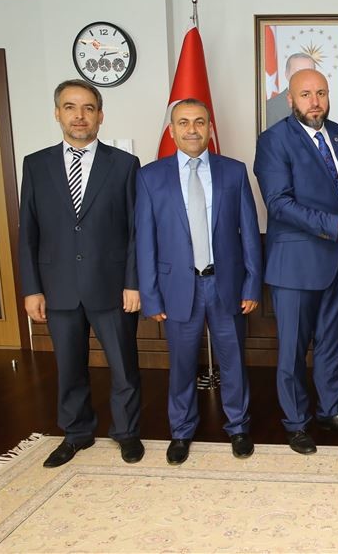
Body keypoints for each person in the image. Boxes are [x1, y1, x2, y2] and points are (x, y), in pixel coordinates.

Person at [19, 79, 143, 468]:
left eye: (88, 108)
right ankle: (76, 433)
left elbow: (136, 231)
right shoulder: (35, 165)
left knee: (123, 367)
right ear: (57, 113)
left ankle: (126, 432)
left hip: (112, 286)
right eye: (70, 107)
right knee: (69, 367)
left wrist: (133, 282)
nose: (79, 116)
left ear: (100, 116)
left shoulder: (124, 165)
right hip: (58, 287)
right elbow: (28, 232)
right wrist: (31, 289)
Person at [135, 98, 263, 465]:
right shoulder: (150, 176)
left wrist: (252, 284)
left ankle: (238, 426)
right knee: (181, 364)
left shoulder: (233, 172)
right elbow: (145, 240)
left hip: (226, 285)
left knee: (233, 361)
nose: (192, 129)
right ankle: (181, 431)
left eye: (199, 122)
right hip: (178, 288)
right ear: (172, 130)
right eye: (183, 122)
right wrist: (151, 297)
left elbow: (249, 233)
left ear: (210, 127)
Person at [254, 69, 338, 455]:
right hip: (295, 265)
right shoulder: (273, 141)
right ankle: (295, 423)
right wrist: (336, 224)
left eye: (321, 93)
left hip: (337, 259)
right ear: (290, 99)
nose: (315, 101)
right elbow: (279, 203)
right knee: (292, 350)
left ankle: (331, 411)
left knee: (333, 344)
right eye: (306, 94)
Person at [265, 53, 317, 129]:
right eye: (298, 72)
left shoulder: (320, 103)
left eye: (309, 72)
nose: (304, 76)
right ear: (287, 75)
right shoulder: (271, 107)